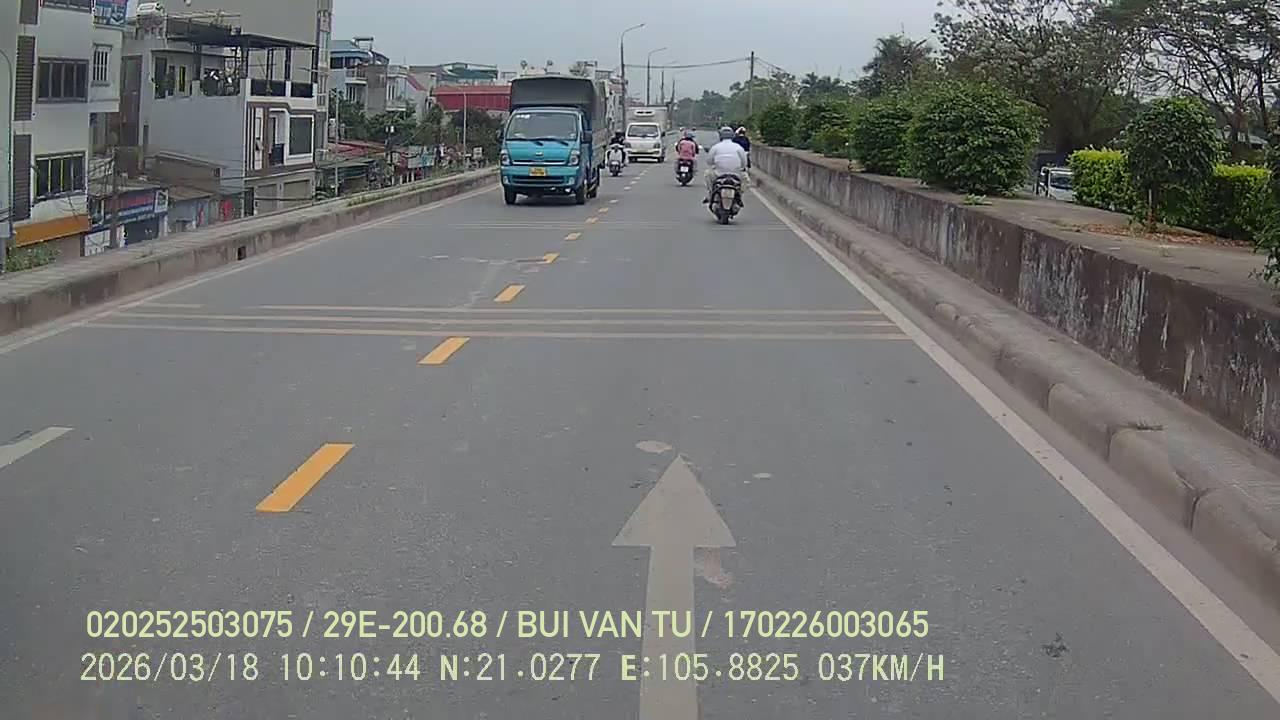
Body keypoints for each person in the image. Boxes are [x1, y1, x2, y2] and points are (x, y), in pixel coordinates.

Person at [703, 126, 750, 204]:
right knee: (746, 180)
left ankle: (711, 194)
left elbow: (709, 161)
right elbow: (744, 163)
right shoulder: (738, 147)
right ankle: (739, 196)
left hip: (719, 174)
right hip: (736, 174)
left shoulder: (716, 147)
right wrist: (741, 168)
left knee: (707, 174)